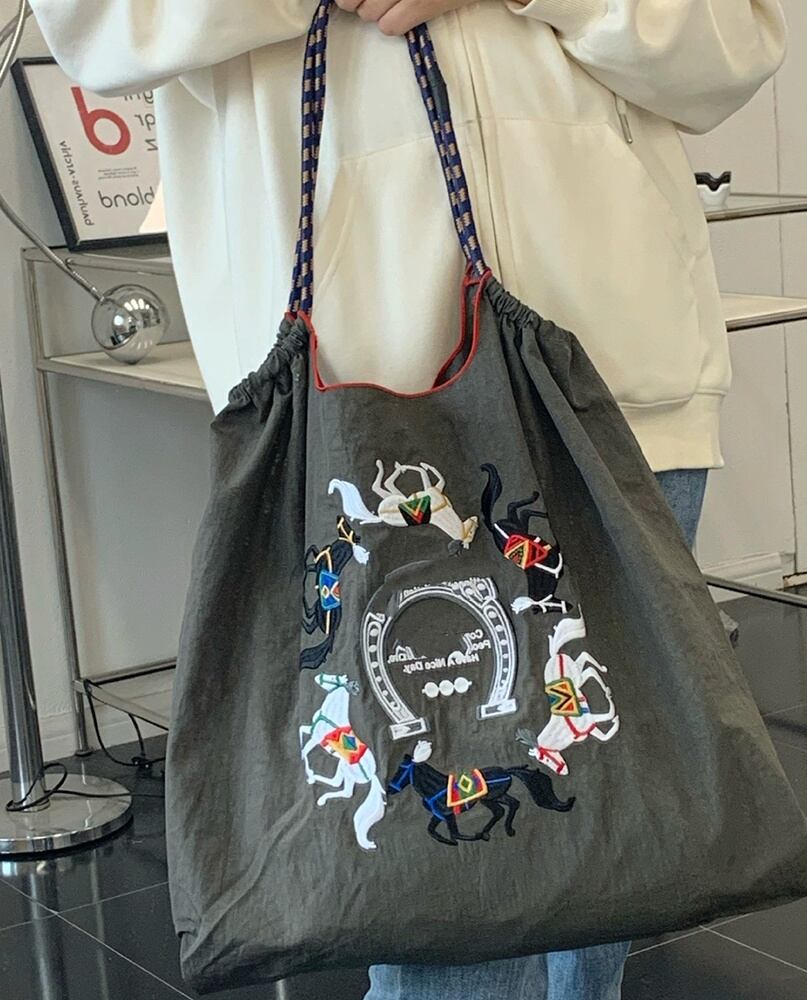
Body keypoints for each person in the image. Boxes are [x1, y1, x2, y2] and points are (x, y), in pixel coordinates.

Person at [28, 1, 786, 997]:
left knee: (623, 857)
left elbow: (727, 49)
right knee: (439, 920)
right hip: (363, 418)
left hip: (616, 379)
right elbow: (97, 25)